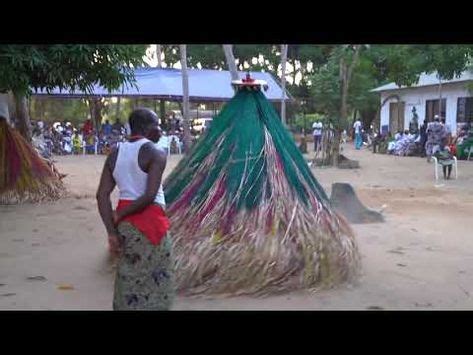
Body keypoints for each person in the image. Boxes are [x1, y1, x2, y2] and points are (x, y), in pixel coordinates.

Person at [96, 108, 173, 310]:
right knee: (158, 280)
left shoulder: (114, 154)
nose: (161, 131)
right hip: (151, 225)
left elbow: (101, 195)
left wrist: (112, 231)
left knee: (127, 278)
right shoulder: (156, 154)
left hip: (126, 227)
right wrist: (120, 213)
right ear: (147, 127)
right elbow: (149, 196)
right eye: (158, 125)